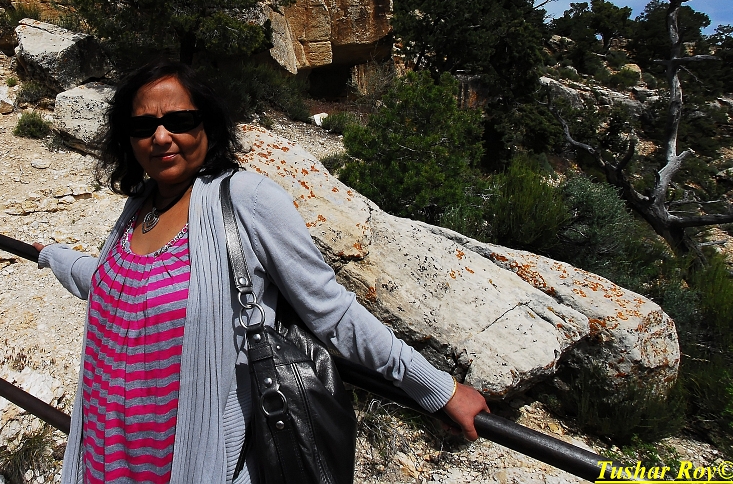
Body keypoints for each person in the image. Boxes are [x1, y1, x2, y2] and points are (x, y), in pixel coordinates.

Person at [33, 61, 489, 484]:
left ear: (208, 125)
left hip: (185, 466)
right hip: (101, 458)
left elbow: (332, 311)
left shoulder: (247, 200)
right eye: (142, 126)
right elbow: (118, 286)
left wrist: (437, 388)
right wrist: (53, 256)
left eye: (180, 120)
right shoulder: (140, 204)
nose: (161, 137)